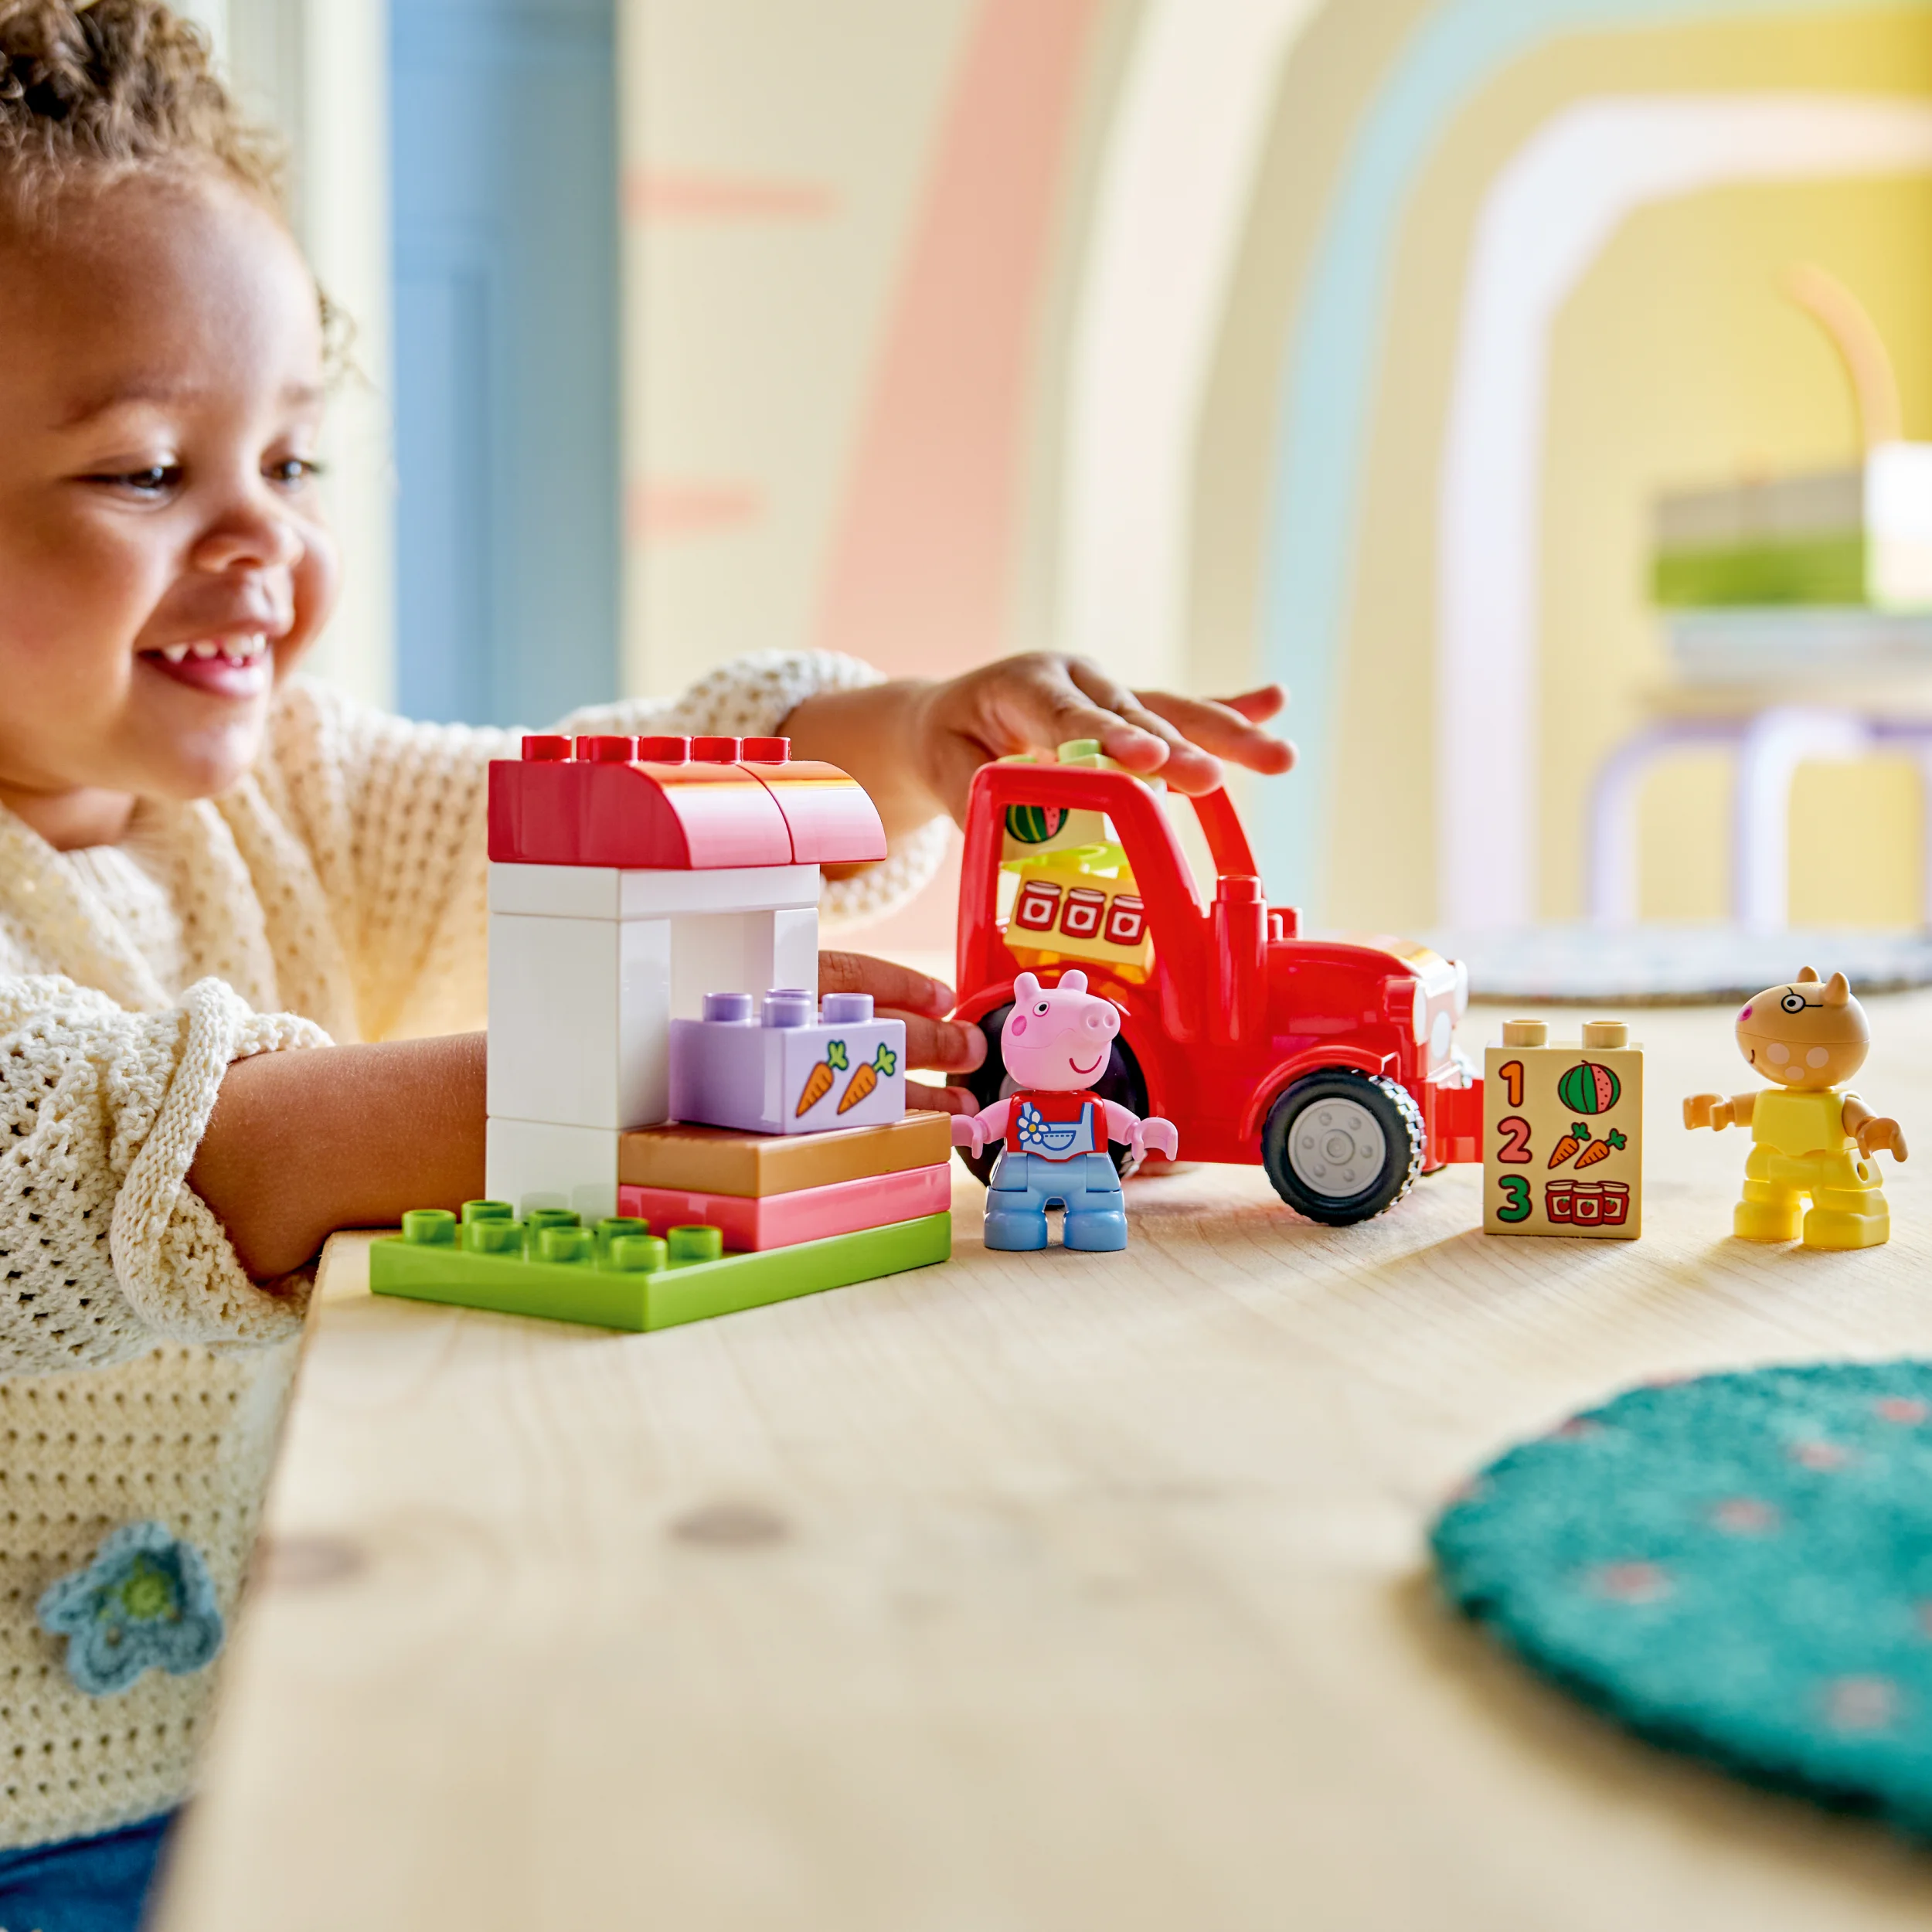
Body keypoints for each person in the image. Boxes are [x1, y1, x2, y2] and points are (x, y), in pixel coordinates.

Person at [0, 3, 1292, 1923]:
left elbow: (591, 807)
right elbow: (148, 1150)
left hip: (281, 1713)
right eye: (142, 473)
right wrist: (653, 1064)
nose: (262, 537)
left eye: (292, 456)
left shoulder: (289, 791)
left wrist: (901, 731)